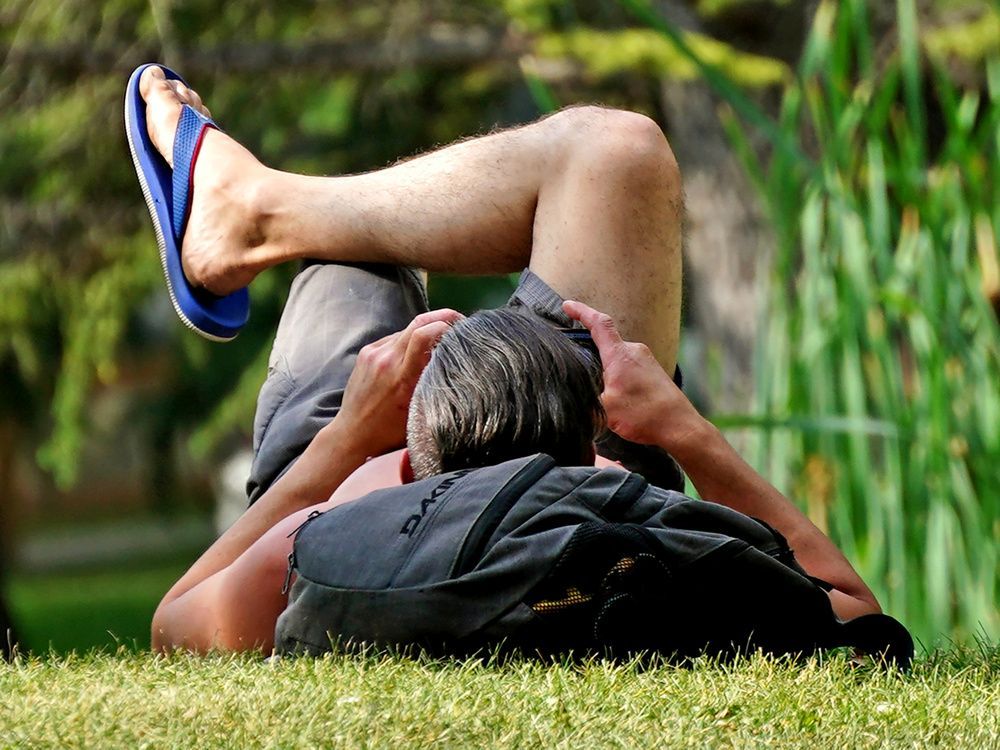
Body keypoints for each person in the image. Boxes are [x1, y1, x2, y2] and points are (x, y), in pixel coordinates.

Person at [135, 67, 881, 653]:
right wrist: (682, 428)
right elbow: (854, 611)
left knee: (353, 263)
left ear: (404, 464)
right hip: (531, 494)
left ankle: (252, 215)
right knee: (610, 157)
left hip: (333, 471)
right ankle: (251, 213)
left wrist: (345, 443)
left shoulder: (328, 534)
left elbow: (174, 623)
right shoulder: (648, 537)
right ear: (602, 458)